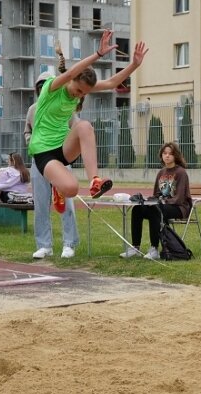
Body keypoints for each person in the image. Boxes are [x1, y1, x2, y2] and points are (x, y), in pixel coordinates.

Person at [28, 30, 148, 210]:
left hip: (64, 147)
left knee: (84, 126)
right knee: (71, 189)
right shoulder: (51, 87)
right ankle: (59, 187)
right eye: (78, 91)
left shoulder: (81, 88)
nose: (80, 95)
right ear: (72, 80)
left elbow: (111, 83)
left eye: (84, 93)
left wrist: (134, 65)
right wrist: (98, 54)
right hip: (44, 151)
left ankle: (95, 181)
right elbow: (69, 75)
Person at [26, 71, 80, 259]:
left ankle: (69, 243)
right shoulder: (33, 109)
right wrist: (30, 141)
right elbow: (27, 131)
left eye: (45, 86)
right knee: (40, 203)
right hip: (39, 159)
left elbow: (76, 128)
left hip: (59, 158)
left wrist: (66, 147)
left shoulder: (65, 105)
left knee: (66, 202)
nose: (43, 89)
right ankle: (44, 245)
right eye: (39, 87)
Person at [120, 142, 192, 260]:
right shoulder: (161, 172)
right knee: (138, 209)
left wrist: (160, 203)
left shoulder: (181, 172)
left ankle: (154, 249)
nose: (167, 156)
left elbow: (178, 198)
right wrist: (148, 201)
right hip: (161, 205)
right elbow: (157, 194)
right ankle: (135, 247)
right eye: (165, 153)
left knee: (155, 210)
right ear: (161, 155)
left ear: (176, 156)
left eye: (170, 154)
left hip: (179, 207)